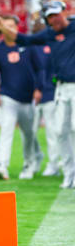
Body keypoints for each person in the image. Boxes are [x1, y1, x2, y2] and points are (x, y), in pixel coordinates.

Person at [0, 1, 75, 188]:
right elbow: (23, 39)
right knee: (60, 131)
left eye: (56, 14)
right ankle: (69, 174)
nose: (55, 19)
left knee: (73, 128)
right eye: (50, 17)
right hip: (61, 88)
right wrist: (2, 28)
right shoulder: (49, 34)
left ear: (64, 12)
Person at [0, 15, 41, 180]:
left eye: (12, 25)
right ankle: (2, 165)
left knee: (29, 133)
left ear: (17, 28)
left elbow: (39, 68)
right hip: (8, 96)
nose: (10, 29)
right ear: (2, 29)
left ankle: (29, 164)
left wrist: (38, 88)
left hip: (27, 97)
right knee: (6, 130)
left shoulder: (28, 46)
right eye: (6, 26)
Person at [30, 15, 73, 179]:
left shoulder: (55, 44)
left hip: (51, 93)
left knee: (55, 131)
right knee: (34, 133)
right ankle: (38, 160)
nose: (37, 28)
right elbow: (35, 71)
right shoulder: (34, 47)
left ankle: (54, 163)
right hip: (38, 94)